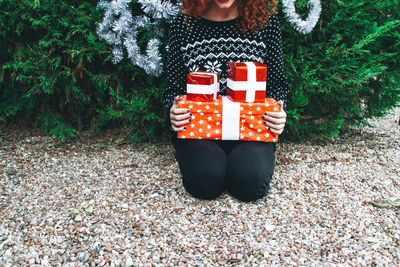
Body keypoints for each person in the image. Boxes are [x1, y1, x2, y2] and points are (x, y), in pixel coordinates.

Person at [162, 0, 289, 202]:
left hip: (251, 131)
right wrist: (172, 112)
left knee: (250, 184)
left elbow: (277, 86)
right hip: (200, 131)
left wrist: (279, 113)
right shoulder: (183, 24)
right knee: (205, 182)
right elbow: (174, 89)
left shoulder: (266, 23)